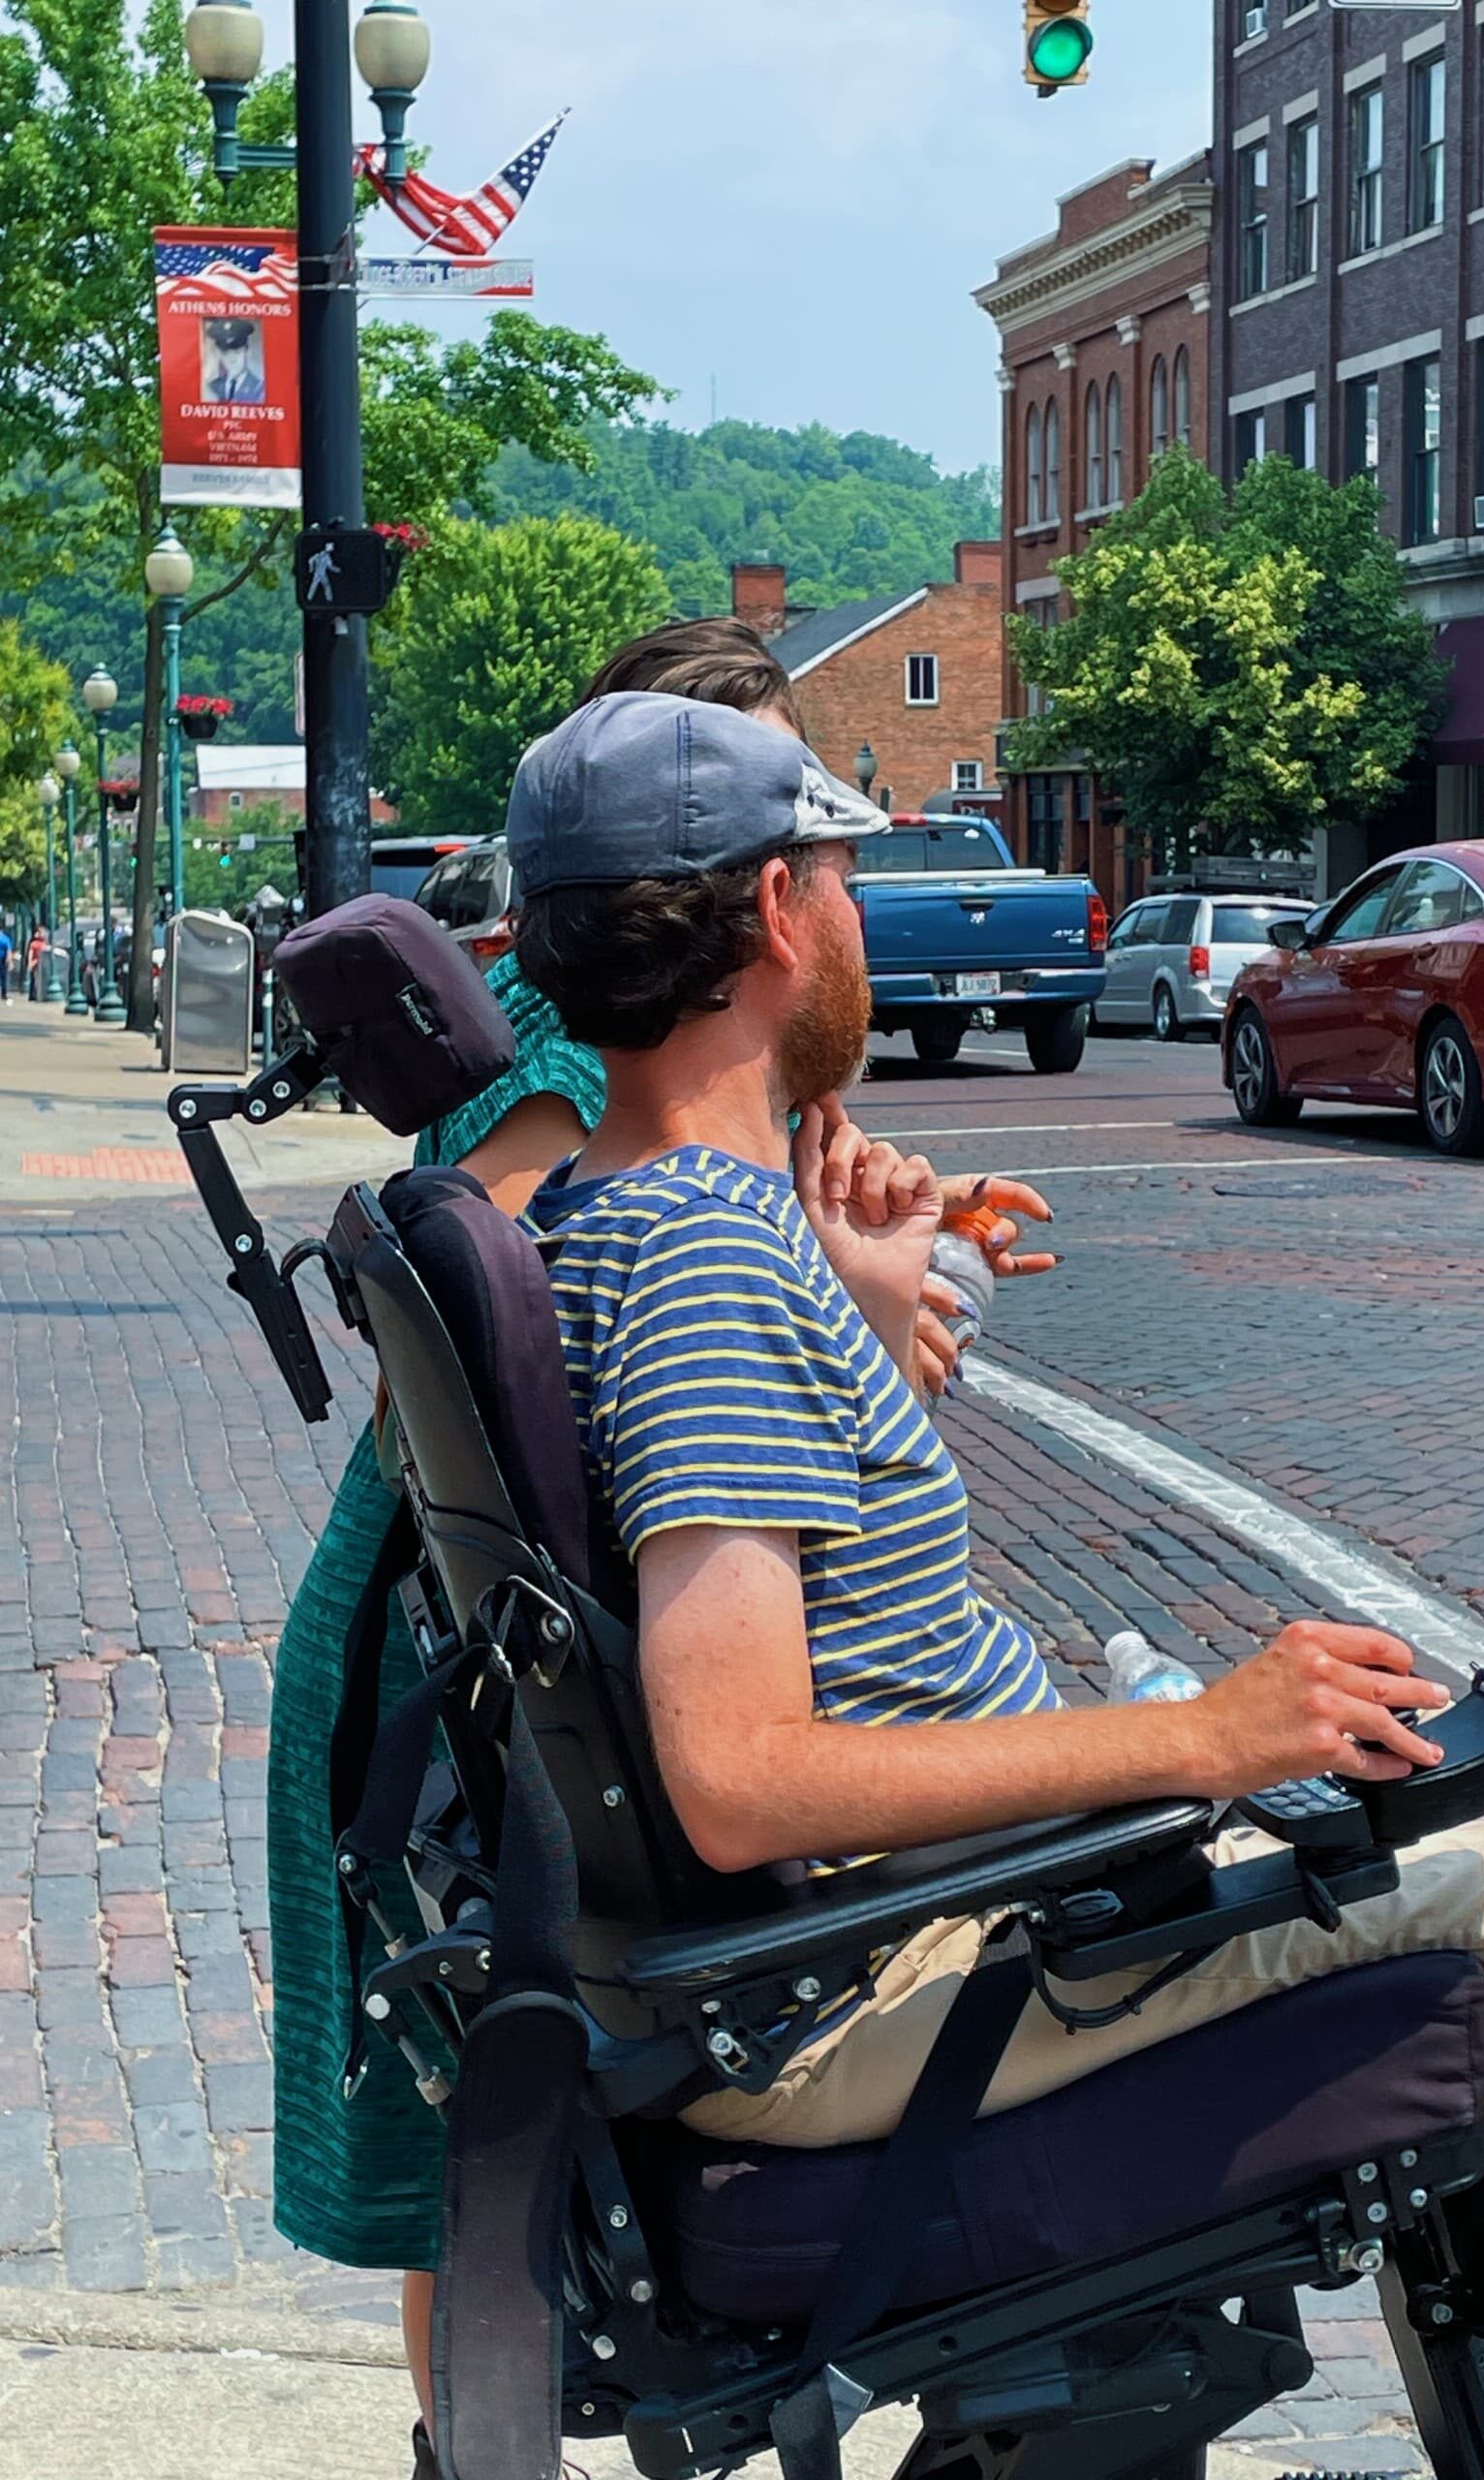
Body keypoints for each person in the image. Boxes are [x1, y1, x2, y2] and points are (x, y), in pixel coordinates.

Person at [512, 689, 1484, 2480]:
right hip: (876, 1973)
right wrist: (1204, 1745)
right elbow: (739, 1774)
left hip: (912, 1920)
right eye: (838, 871)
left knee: (1413, 1835)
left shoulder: (631, 1214)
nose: (851, 910)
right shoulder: (697, 1264)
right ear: (769, 914)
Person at [265, 625, 1051, 2480]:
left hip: (526, 1653)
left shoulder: (692, 1095)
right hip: (438, 1669)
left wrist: (850, 1252)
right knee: (486, 2183)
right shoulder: (569, 1066)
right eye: (815, 843)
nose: (832, 881)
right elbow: (524, 1347)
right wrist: (840, 1305)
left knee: (513, 2186)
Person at [0, 923, 14, 1003]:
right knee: (3, 977)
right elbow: (9, 950)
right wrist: (10, 961)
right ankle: (3, 994)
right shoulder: (5, 938)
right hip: (2, 959)